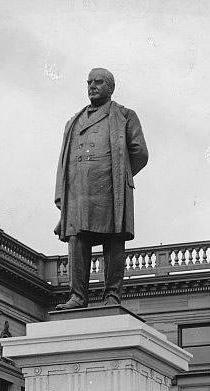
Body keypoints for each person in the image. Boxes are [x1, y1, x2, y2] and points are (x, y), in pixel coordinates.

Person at [54, 68, 149, 310]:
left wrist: (117, 174)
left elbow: (139, 152)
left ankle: (112, 296)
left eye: (98, 82)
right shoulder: (73, 121)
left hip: (110, 189)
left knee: (113, 240)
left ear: (110, 87)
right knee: (77, 240)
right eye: (89, 82)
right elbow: (63, 162)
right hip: (78, 191)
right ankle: (77, 296)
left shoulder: (125, 116)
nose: (92, 86)